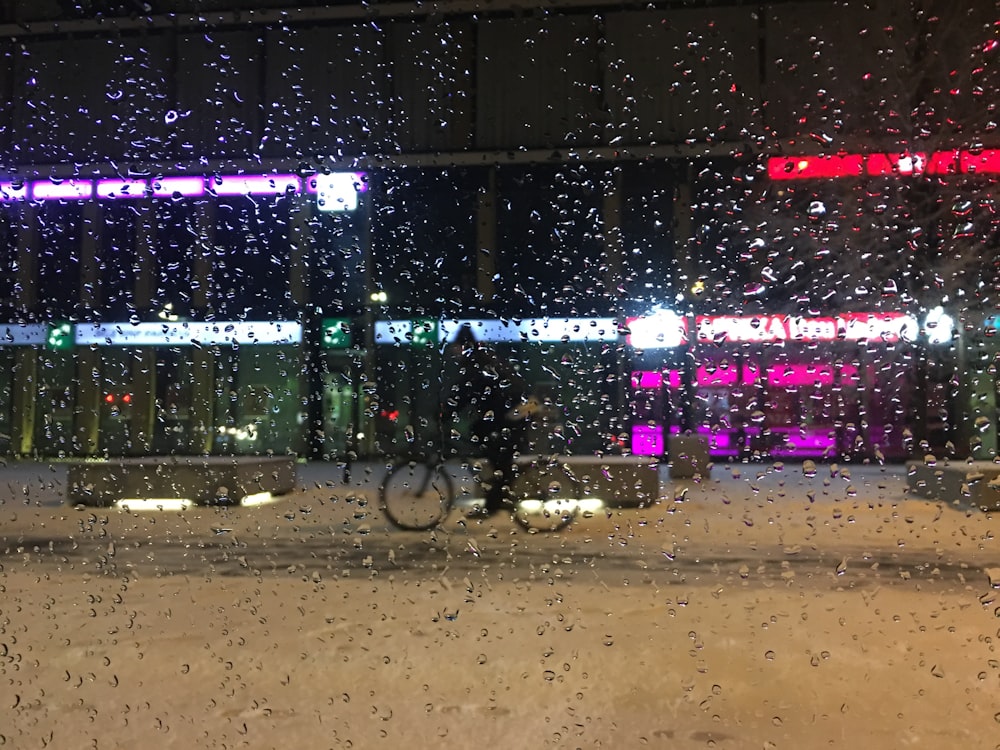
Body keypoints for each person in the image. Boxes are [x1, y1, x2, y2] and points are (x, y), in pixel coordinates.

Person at [445, 325, 532, 517]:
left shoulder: (476, 362)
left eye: (456, 346)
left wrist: (446, 412)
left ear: (464, 346)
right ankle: (497, 493)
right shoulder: (480, 359)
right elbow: (467, 392)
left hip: (510, 414)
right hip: (507, 412)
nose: (453, 350)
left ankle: (496, 496)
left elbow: (464, 392)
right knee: (486, 441)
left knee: (495, 451)